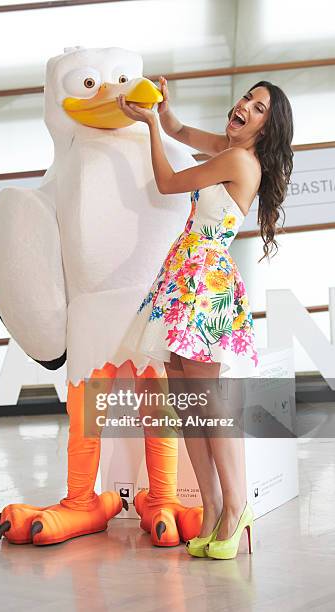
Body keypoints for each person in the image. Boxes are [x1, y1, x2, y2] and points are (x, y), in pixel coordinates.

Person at [117, 77, 294, 559]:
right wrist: (164, 114)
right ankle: (214, 507)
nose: (244, 108)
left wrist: (150, 125)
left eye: (258, 109)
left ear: (266, 127)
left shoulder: (238, 159)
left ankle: (237, 509)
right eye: (246, 99)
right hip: (186, 274)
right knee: (189, 399)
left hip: (204, 281)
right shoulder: (229, 148)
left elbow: (168, 182)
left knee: (207, 403)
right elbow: (182, 131)